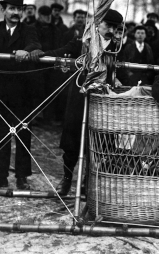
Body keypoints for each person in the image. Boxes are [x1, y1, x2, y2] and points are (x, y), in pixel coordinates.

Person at [29, 9, 123, 195]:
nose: (110, 30)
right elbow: (62, 51)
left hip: (102, 99)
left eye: (114, 27)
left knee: (96, 140)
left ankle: (87, 181)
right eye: (107, 25)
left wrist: (117, 80)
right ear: (98, 24)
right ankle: (66, 179)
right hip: (79, 97)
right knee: (72, 139)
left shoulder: (117, 47)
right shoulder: (84, 42)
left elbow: (119, 70)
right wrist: (42, 55)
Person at [0, 0, 41, 189]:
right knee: (2, 134)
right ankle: (1, 175)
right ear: (3, 10)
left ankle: (21, 176)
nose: (16, 13)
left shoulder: (28, 29)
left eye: (19, 9)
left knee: (22, 134)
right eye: (12, 9)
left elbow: (35, 44)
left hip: (22, 91)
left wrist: (25, 51)